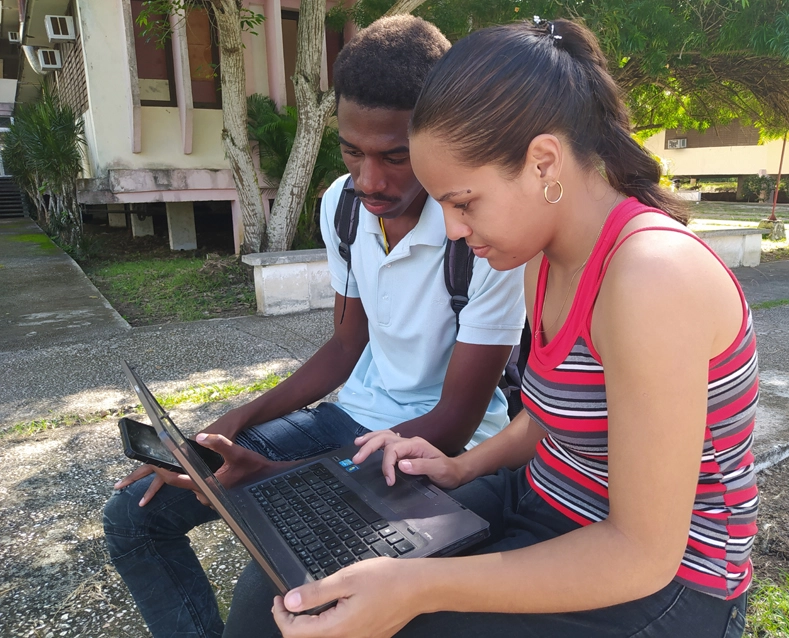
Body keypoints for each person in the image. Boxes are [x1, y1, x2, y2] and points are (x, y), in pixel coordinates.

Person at [269, 18, 759, 638]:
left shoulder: (651, 278)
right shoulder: (542, 259)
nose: (450, 229)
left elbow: (641, 554)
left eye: (463, 201)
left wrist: (415, 588)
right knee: (303, 576)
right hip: (541, 503)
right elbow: (557, 410)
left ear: (543, 162)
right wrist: (462, 467)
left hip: (668, 586)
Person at [102, 15, 525, 638]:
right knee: (134, 517)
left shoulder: (480, 232)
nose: (369, 180)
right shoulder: (343, 208)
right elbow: (346, 345)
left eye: (396, 156)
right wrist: (233, 423)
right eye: (352, 151)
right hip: (349, 420)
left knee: (275, 597)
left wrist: (284, 481)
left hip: (431, 445)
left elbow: (456, 421)